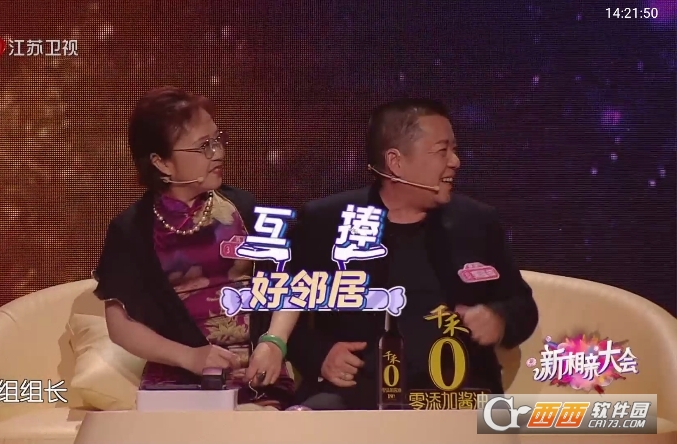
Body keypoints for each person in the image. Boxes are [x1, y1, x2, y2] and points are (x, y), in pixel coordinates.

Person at [282, 98, 539, 410]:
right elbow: (276, 304)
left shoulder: (477, 222)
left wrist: (499, 319)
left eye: (454, 149)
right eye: (442, 151)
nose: (455, 161)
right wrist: (319, 354)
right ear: (396, 162)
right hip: (357, 400)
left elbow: (522, 305)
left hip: (458, 399)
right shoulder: (326, 221)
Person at [93, 87, 294, 410]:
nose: (218, 153)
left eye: (217, 140)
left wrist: (274, 342)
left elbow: (289, 284)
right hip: (179, 378)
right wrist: (190, 357)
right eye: (203, 146)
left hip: (254, 372)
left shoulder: (243, 209)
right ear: (162, 163)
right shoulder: (130, 230)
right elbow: (120, 326)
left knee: (258, 424)